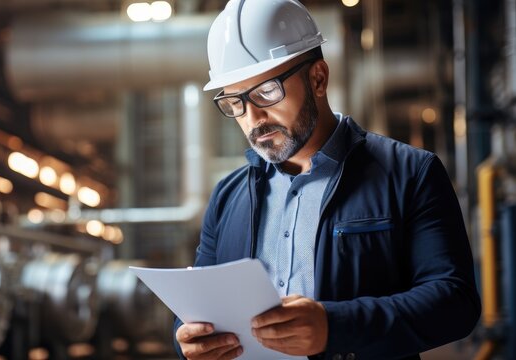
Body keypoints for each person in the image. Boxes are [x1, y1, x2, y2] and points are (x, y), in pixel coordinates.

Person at [173, 0, 481, 359]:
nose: (253, 118)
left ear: (318, 77)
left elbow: (454, 302)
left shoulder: (410, 173)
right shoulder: (228, 197)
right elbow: (198, 308)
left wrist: (335, 327)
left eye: (266, 92)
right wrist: (186, 338)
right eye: (234, 102)